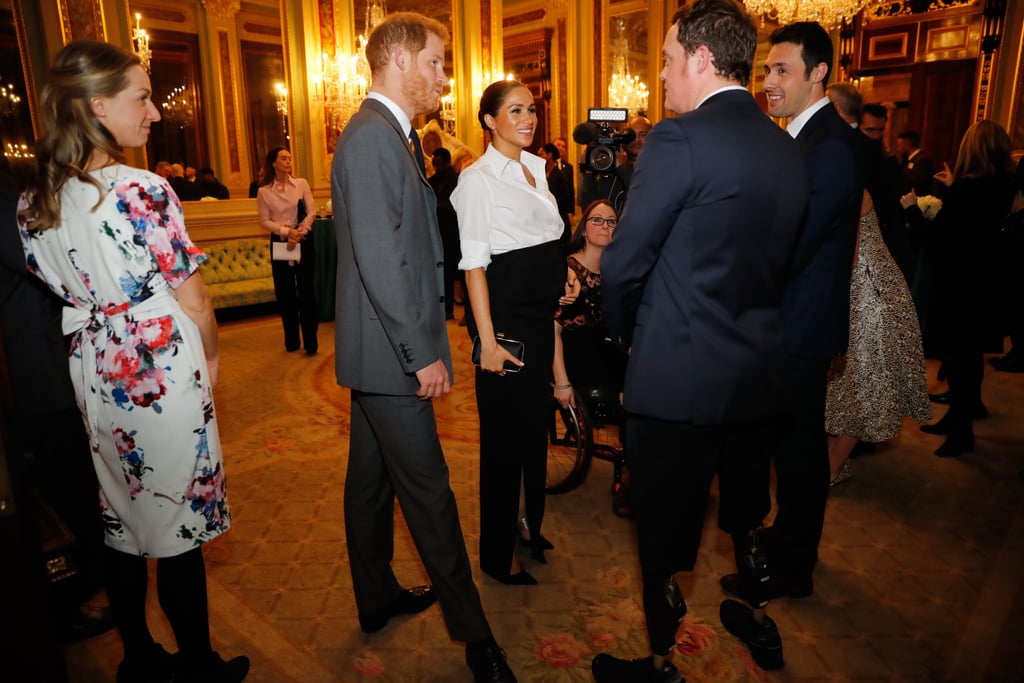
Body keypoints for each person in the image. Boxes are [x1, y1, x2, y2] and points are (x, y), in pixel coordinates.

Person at [15, 40, 246, 682]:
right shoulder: (142, 190)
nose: (153, 111)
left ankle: (139, 659)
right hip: (157, 370)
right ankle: (199, 666)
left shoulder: (36, 201)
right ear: (96, 105)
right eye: (141, 97)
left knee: (119, 516)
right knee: (175, 525)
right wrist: (213, 362)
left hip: (93, 366)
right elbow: (195, 302)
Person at [593, 1, 808, 679]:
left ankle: (660, 662)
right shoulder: (786, 144)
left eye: (664, 59)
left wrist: (626, 338)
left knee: (664, 531)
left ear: (701, 60)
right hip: (759, 373)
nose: (658, 74)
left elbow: (625, 263)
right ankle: (759, 622)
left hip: (678, 378)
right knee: (746, 514)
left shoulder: (678, 140)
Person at [330, 13, 517, 683]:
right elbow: (382, 261)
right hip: (391, 351)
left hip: (377, 347)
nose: (444, 76)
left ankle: (374, 592)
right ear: (401, 58)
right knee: (431, 494)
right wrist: (421, 351)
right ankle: (477, 638)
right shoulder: (372, 140)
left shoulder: (390, 135)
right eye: (437, 62)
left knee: (369, 482)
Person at [721, 20, 863, 611]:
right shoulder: (799, 138)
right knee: (789, 448)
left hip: (797, 327)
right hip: (787, 322)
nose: (769, 82)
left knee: (798, 455)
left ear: (819, 72)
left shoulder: (829, 145)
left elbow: (793, 242)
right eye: (766, 70)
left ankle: (792, 567)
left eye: (782, 70)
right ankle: (785, 549)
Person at [452, 79, 576, 588]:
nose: (528, 119)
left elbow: (545, 240)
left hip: (540, 322)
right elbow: (475, 267)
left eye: (532, 110)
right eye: (515, 110)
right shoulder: (477, 181)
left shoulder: (535, 169)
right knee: (504, 449)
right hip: (507, 331)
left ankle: (528, 526)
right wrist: (487, 341)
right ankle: (496, 556)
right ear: (488, 120)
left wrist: (562, 273)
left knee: (532, 439)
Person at [899, 120, 1017, 457]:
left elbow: (939, 241)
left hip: (960, 284)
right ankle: (965, 411)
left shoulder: (969, 190)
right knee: (971, 352)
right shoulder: (1005, 184)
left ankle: (962, 431)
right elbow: (975, 225)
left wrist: (911, 211)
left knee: (958, 357)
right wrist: (953, 190)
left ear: (972, 149)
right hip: (988, 281)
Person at [824, 191, 933, 486]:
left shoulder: (851, 185)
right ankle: (832, 461)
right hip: (866, 283)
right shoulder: (845, 176)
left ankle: (832, 467)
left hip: (867, 289)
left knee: (864, 385)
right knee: (845, 386)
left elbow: (850, 249)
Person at [551, 200, 630, 516]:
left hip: (609, 353)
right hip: (578, 359)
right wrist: (560, 382)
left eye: (612, 222)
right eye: (597, 220)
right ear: (583, 228)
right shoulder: (569, 270)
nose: (605, 226)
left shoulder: (617, 271)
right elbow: (551, 331)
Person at [257, 146, 318, 355]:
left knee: (307, 291)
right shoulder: (264, 191)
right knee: (286, 293)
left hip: (303, 239)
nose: (288, 161)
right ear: (274, 163)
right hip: (281, 243)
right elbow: (264, 220)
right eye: (284, 158)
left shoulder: (301, 184)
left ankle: (311, 343)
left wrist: (299, 232)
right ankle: (292, 341)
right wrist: (286, 232)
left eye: (290, 158)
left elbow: (312, 212)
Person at [428, 147, 462, 320]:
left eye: (438, 165)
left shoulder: (453, 178)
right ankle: (447, 309)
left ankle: (463, 312)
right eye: (434, 166)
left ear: (446, 163)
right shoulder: (436, 179)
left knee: (458, 273)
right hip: (441, 232)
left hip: (453, 233)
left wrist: (433, 208)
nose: (436, 169)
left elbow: (451, 205)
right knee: (446, 272)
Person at [538, 142, 575, 247]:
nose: (539, 157)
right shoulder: (541, 173)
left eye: (542, 154)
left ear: (549, 155)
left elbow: (566, 198)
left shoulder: (559, 176)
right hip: (545, 219)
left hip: (558, 218)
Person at [896, 130, 935, 196]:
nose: (898, 149)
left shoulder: (922, 160)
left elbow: (919, 183)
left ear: (906, 145)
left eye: (899, 146)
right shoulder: (909, 160)